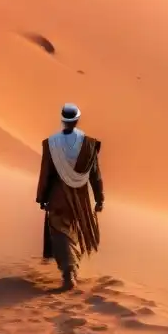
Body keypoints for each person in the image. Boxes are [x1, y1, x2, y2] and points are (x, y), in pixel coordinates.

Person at [36, 103, 104, 290]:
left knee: (60, 232)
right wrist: (99, 199)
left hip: (58, 195)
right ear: (77, 120)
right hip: (81, 198)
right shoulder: (89, 144)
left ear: (62, 120)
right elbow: (95, 175)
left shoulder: (51, 143)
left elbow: (46, 172)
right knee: (76, 230)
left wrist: (42, 197)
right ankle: (72, 270)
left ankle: (69, 273)